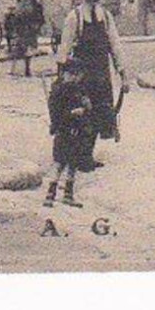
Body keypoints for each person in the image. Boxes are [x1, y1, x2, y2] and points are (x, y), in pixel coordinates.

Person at [56, 0, 129, 154]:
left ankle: (88, 152)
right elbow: (65, 45)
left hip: (101, 73)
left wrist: (122, 72)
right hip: (81, 74)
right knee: (82, 112)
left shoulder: (106, 16)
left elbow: (115, 45)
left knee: (101, 111)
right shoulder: (76, 16)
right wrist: (61, 73)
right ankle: (80, 153)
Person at [43, 57, 96, 208]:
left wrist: (86, 107)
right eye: (72, 75)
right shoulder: (58, 91)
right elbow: (56, 114)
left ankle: (68, 194)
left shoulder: (78, 89)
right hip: (64, 131)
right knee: (59, 164)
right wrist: (72, 113)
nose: (75, 78)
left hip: (77, 132)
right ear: (65, 74)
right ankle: (50, 194)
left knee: (73, 164)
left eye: (77, 76)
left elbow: (87, 107)